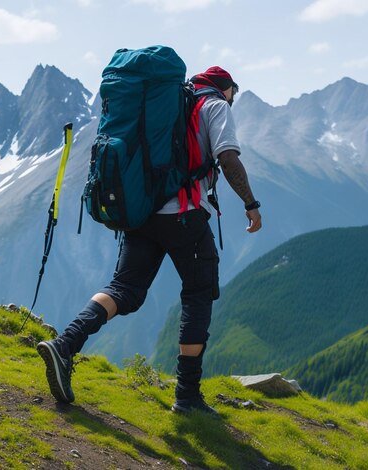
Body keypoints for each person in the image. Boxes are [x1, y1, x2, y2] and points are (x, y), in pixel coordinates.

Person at [37, 66, 262, 414]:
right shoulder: (214, 105)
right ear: (225, 87)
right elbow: (227, 158)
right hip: (185, 215)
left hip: (142, 213)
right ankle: (187, 395)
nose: (235, 99)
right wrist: (250, 203)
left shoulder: (168, 104)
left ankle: (65, 344)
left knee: (124, 288)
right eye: (236, 91)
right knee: (199, 293)